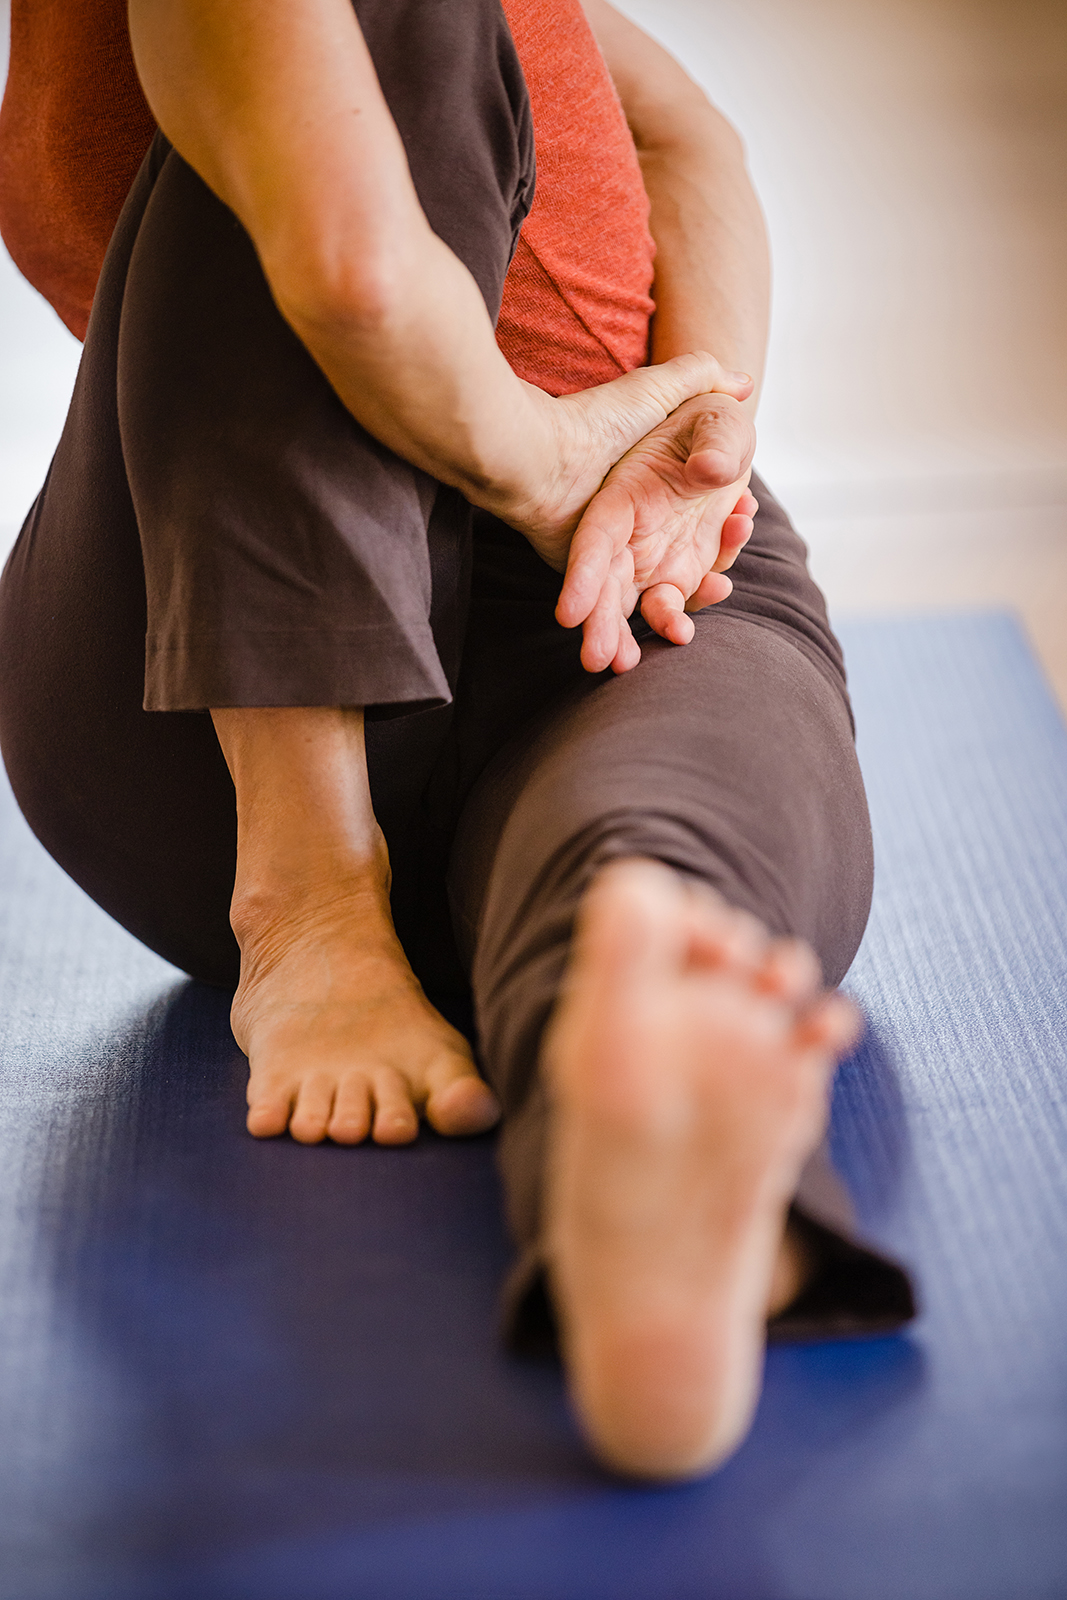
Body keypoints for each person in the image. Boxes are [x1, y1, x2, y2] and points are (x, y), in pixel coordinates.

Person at [0, 0, 913, 1479]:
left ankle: (671, 1207)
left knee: (657, 883)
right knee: (374, 41)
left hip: (600, 580)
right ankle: (312, 903)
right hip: (227, 663)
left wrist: (699, 441)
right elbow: (354, 272)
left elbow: (690, 137)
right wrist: (549, 455)